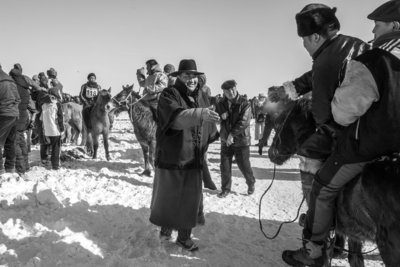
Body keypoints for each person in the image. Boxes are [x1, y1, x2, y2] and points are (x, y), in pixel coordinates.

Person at [282, 2, 400, 266]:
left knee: (322, 185)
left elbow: (340, 114)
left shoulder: (374, 58)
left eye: (378, 24)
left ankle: (314, 249)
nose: (373, 28)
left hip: (372, 144)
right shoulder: (359, 44)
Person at [268, 4, 368, 210]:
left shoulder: (325, 61)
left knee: (307, 153)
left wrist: (323, 131)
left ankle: (318, 222)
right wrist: (289, 88)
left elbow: (322, 112)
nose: (303, 44)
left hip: (350, 131)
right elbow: (312, 77)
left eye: (304, 39)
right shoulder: (351, 44)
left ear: (315, 37)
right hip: (371, 123)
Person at [149, 59, 219, 251]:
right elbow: (176, 119)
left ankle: (184, 237)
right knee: (169, 198)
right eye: (187, 75)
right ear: (179, 76)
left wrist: (207, 137)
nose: (191, 79)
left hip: (193, 158)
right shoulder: (169, 94)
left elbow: (208, 124)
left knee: (190, 200)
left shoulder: (201, 97)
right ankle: (165, 229)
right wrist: (200, 114)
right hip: (172, 157)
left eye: (194, 76)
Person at [215, 79, 256, 198]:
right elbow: (216, 118)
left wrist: (232, 135)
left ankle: (251, 182)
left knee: (243, 165)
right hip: (225, 140)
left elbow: (244, 122)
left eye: (232, 89)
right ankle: (225, 189)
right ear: (223, 92)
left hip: (241, 140)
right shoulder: (220, 103)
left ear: (236, 88)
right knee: (224, 166)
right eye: (227, 91)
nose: (231, 92)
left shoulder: (245, 103)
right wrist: (220, 117)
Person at [9, 64, 37, 175]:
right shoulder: (26, 89)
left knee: (15, 144)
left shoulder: (12, 88)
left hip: (13, 118)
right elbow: (33, 108)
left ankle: (20, 170)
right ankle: (26, 166)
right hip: (24, 119)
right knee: (22, 142)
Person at [0, 65, 20, 175]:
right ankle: (10, 168)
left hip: (2, 113)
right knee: (10, 142)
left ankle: (0, 170)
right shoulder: (10, 79)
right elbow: (18, 99)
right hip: (14, 114)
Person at [40, 92, 64, 170]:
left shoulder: (43, 105)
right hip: (55, 130)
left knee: (47, 146)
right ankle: (55, 165)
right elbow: (60, 118)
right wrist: (62, 129)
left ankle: (45, 160)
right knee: (56, 148)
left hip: (47, 130)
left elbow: (41, 118)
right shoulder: (57, 105)